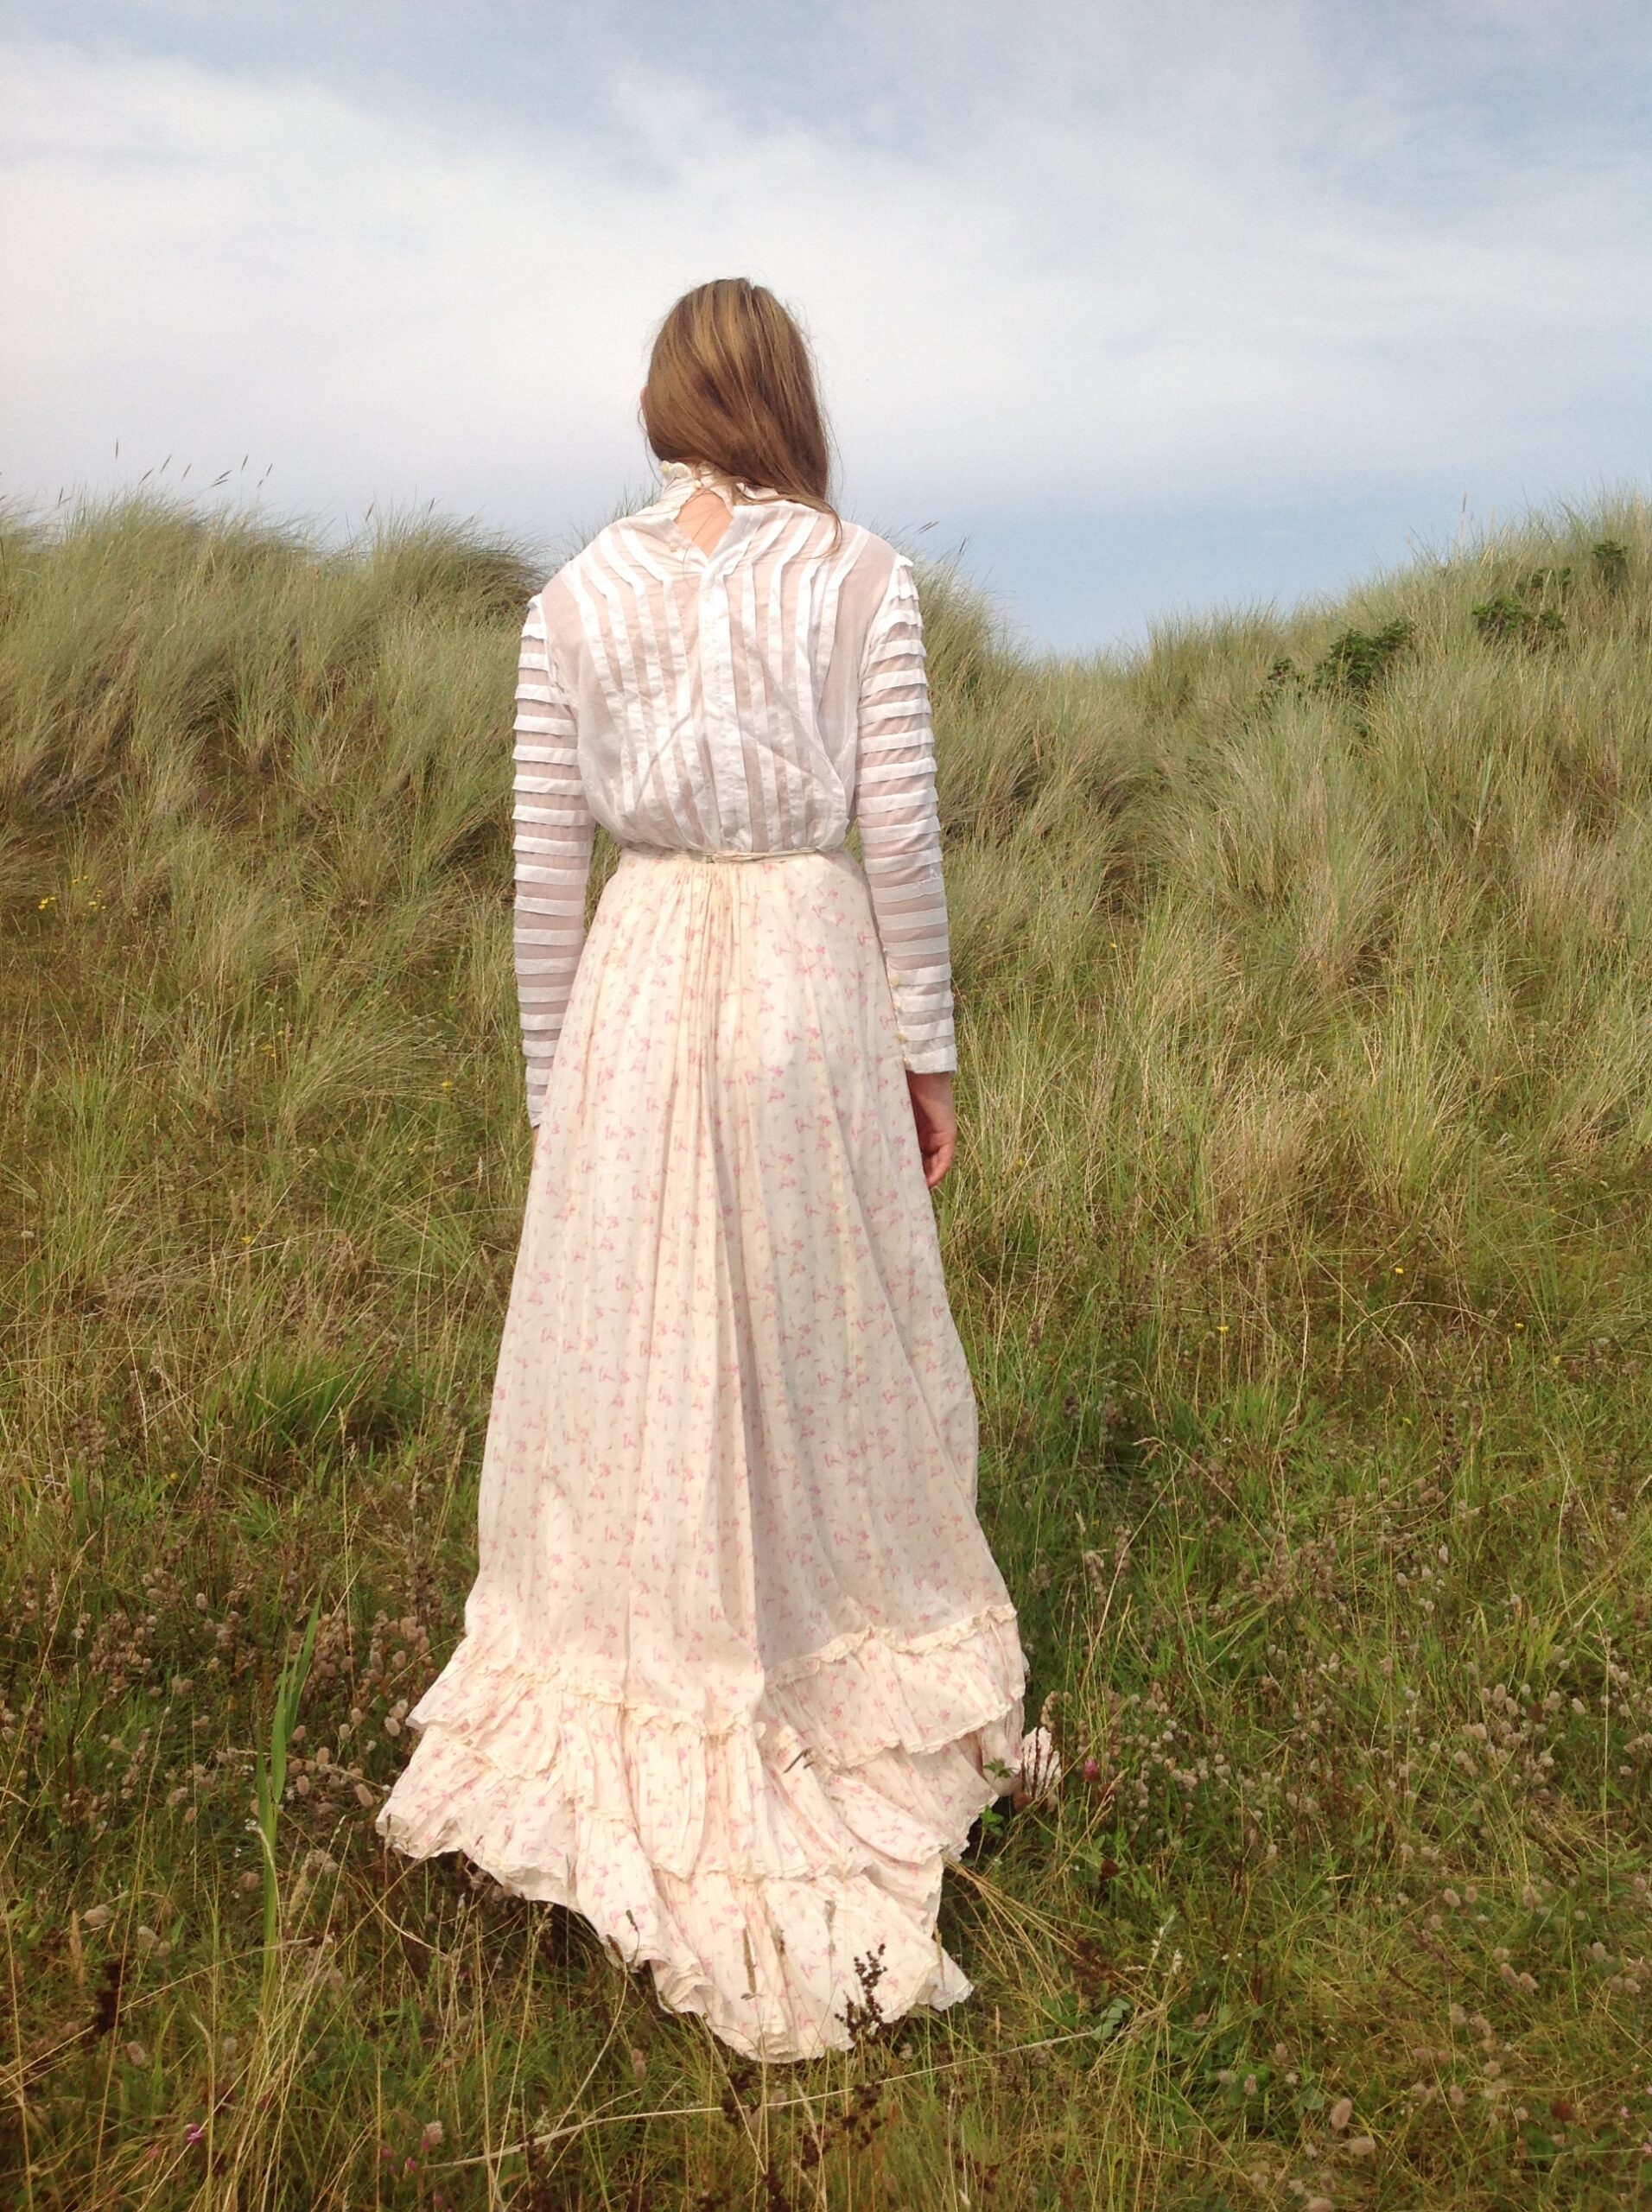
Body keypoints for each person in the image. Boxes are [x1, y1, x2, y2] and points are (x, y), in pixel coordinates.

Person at [378, 277, 1032, 2061]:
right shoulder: (865, 579)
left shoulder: (571, 595)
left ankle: (649, 1654)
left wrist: (548, 1088)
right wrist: (927, 1051)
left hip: (642, 977)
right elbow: (894, 828)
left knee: (647, 1351)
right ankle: (829, 1648)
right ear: (785, 393)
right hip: (810, 975)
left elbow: (540, 877)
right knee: (824, 1333)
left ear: (664, 393)